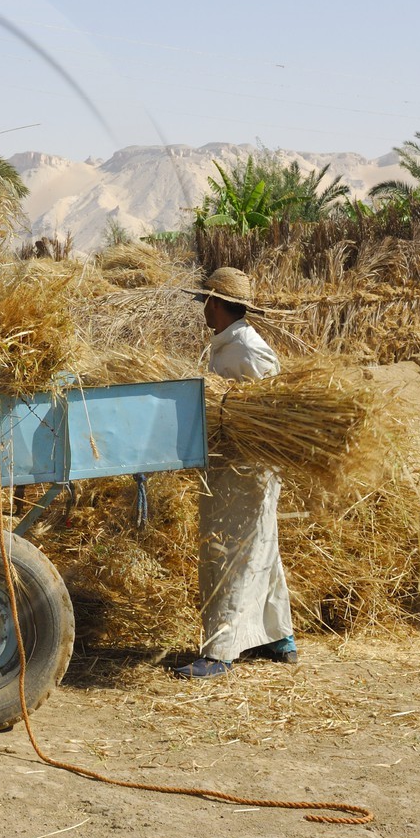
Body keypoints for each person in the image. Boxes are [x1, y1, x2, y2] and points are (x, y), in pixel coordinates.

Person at [172, 267, 298, 679]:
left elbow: (273, 409)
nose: (201, 310)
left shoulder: (247, 348)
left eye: (204, 302)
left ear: (217, 303)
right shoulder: (227, 345)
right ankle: (279, 638)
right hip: (229, 465)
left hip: (248, 470)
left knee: (229, 551)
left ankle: (220, 651)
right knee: (260, 546)